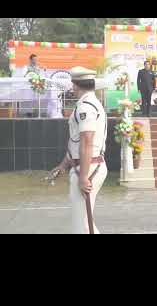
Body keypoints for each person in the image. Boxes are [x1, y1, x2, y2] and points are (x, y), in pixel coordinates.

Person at [49, 66, 108, 234]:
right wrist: (63, 166)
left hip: (87, 168)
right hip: (84, 166)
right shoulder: (87, 104)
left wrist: (83, 177)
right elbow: (76, 142)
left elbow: (87, 141)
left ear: (75, 85)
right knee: (83, 222)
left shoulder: (86, 107)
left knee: (81, 224)